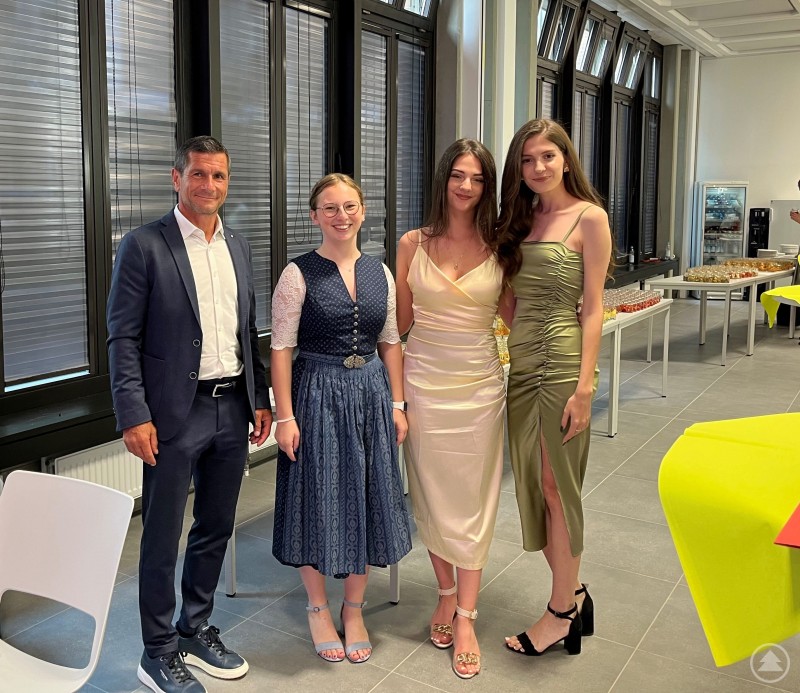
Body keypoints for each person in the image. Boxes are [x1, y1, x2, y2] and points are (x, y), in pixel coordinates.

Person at [107, 136, 271, 693]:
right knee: (162, 534)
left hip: (232, 405)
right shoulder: (144, 245)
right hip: (173, 414)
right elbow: (122, 338)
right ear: (176, 178)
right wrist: (133, 414)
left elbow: (247, 329)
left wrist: (260, 398)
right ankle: (157, 651)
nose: (209, 185)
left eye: (218, 175)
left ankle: (193, 627)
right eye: (198, 174)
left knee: (215, 526)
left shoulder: (238, 245)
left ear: (228, 181)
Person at [270, 173, 412, 665]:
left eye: (349, 206)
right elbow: (281, 349)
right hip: (317, 392)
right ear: (315, 216)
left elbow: (390, 341)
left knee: (366, 495)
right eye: (330, 208)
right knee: (315, 494)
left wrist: (397, 404)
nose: (341, 216)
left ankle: (354, 609)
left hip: (370, 392)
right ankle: (317, 607)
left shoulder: (380, 272)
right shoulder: (297, 274)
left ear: (362, 211)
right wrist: (285, 416)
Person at [496, 118, 611, 657]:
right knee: (536, 486)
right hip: (521, 367)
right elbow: (508, 301)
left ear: (566, 159)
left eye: (547, 156)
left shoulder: (590, 218)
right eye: (527, 159)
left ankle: (560, 612)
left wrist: (585, 387)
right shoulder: (520, 219)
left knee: (557, 485)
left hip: (562, 366)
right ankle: (576, 595)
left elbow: (594, 308)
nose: (537, 167)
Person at [396, 139, 505, 680]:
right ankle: (445, 593)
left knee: (474, 501)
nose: (466, 186)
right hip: (423, 385)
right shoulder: (411, 243)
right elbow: (396, 327)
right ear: (443, 179)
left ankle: (467, 616)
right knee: (431, 496)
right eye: (459, 175)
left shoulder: (502, 246)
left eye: (478, 178)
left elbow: (517, 315)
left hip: (480, 389)